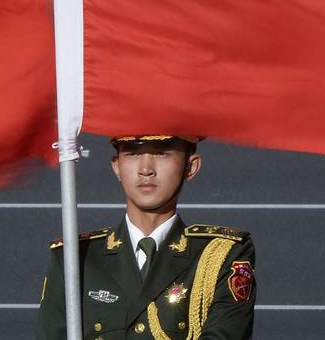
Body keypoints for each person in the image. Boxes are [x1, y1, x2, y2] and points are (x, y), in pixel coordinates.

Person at [36, 135, 256, 340]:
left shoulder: (220, 256)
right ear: (117, 166)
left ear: (191, 166)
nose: (145, 169)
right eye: (132, 153)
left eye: (161, 153)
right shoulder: (76, 258)